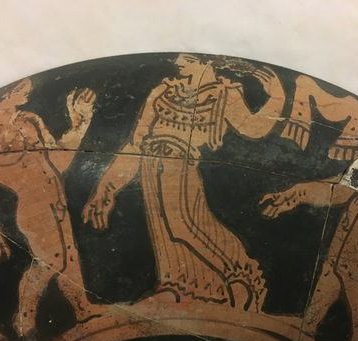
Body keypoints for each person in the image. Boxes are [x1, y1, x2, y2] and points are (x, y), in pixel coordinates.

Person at [83, 53, 286, 312]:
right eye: (180, 58)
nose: (178, 61)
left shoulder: (224, 94)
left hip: (179, 164)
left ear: (207, 63)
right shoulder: (163, 91)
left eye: (187, 59)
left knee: (183, 225)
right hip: (149, 165)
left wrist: (277, 97)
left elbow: (254, 128)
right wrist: (106, 188)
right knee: (165, 235)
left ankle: (239, 279)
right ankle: (183, 288)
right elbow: (135, 145)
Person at [0, 78, 100, 336]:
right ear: (5, 95)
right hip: (32, 207)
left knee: (69, 256)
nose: (28, 90)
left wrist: (80, 123)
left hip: (56, 197)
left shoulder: (31, 120)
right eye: (21, 88)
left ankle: (83, 310)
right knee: (50, 261)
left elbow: (58, 161)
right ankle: (25, 317)